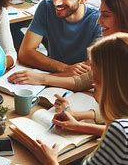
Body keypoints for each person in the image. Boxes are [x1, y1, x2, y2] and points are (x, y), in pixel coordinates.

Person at [33, 32, 128, 165]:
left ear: (112, 84)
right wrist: (79, 126)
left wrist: (51, 161)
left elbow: (118, 133)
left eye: (95, 77)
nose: (92, 83)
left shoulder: (119, 131)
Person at [8, 0, 128, 92]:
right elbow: (83, 81)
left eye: (106, 15)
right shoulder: (113, 45)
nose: (99, 21)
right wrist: (40, 78)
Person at [13, 0, 101, 76]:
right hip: (54, 76)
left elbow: (89, 70)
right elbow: (25, 53)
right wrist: (65, 69)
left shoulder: (98, 20)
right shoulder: (46, 6)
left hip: (80, 86)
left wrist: (43, 78)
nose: (56, 2)